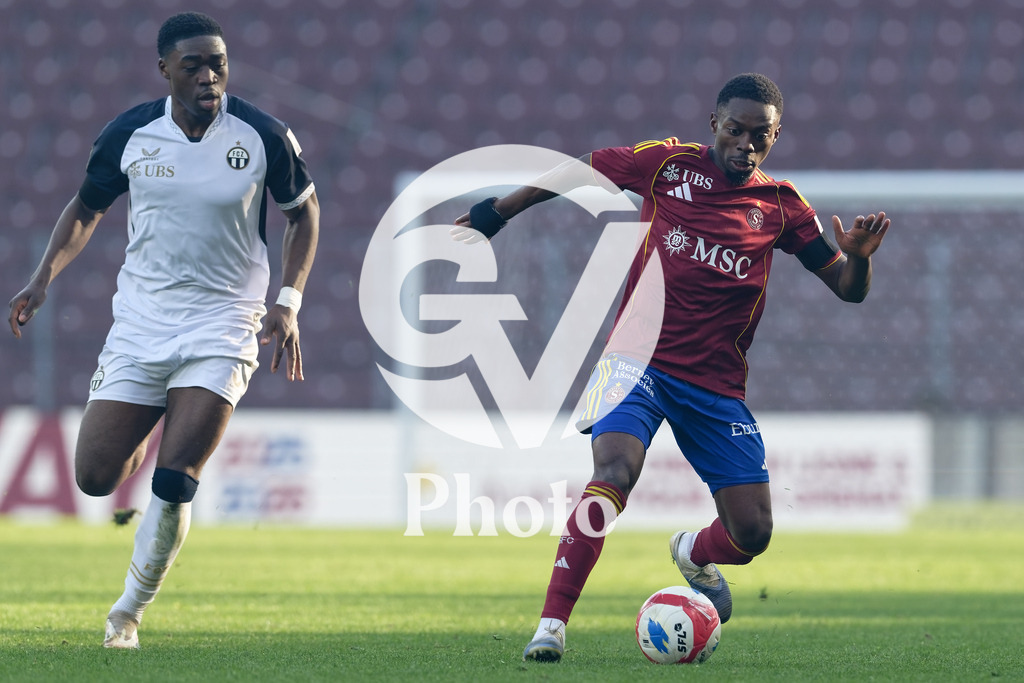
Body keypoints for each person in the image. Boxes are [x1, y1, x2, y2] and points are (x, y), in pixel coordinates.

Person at [452, 73, 890, 662]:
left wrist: (858, 261)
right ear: (714, 124)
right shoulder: (666, 165)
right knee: (614, 472)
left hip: (715, 384)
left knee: (752, 533)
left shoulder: (782, 207)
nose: (746, 144)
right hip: (635, 362)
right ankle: (550, 627)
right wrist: (498, 212)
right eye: (735, 129)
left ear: (776, 136)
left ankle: (693, 553)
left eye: (760, 136)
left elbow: (847, 288)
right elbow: (581, 169)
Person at [8, 12, 319, 649]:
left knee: (174, 479)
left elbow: (304, 213)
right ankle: (151, 424)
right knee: (96, 477)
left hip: (225, 320)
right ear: (165, 71)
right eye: (193, 66)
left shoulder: (262, 134)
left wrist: (288, 301)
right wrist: (42, 279)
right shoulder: (130, 134)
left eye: (218, 64)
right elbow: (86, 208)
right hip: (141, 323)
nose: (209, 77)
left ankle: (127, 613)